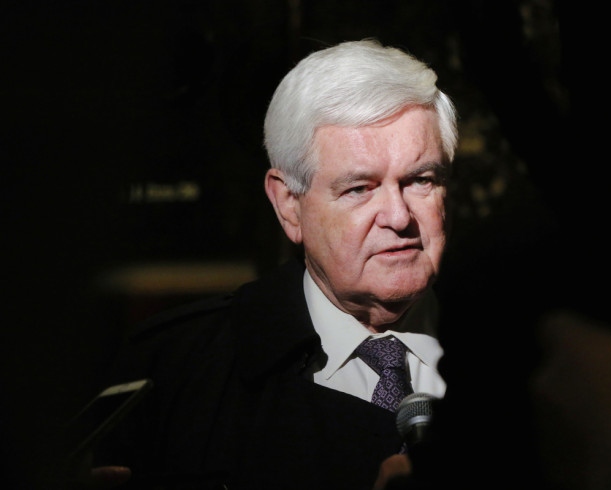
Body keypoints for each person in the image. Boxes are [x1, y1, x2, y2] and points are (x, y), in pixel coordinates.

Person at [84, 39, 458, 490]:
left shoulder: (533, 349)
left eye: (421, 180)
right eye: (360, 188)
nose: (398, 217)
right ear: (288, 205)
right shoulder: (174, 376)